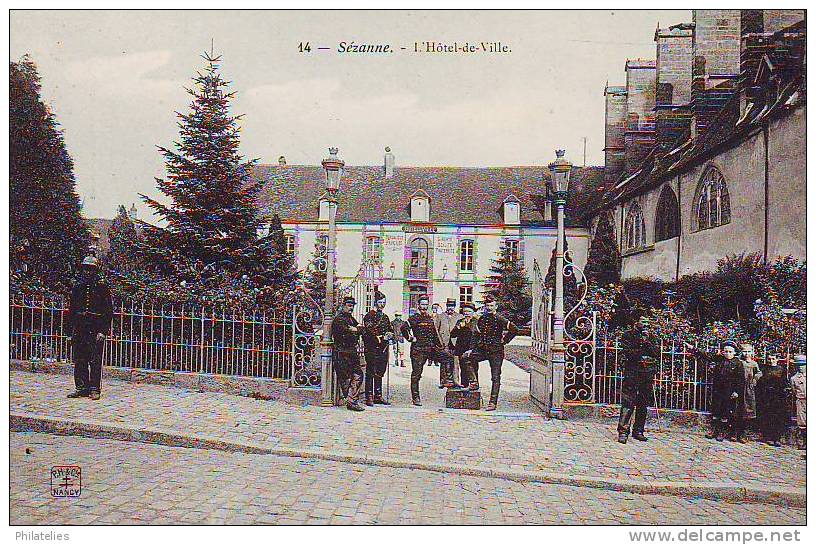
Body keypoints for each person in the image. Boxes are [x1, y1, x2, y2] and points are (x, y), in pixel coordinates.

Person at [66, 256, 113, 400]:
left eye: (91, 269)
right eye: (86, 269)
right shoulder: (77, 287)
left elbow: (108, 311)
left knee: (94, 360)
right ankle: (81, 388)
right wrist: (69, 332)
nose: (88, 272)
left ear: (96, 271)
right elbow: (71, 311)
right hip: (80, 327)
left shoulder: (102, 288)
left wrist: (103, 331)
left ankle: (94, 389)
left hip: (95, 327)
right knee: (80, 359)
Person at [403, 296, 454, 406]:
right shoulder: (414, 318)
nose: (424, 307)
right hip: (418, 350)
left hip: (431, 349)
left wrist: (440, 346)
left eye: (426, 305)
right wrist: (411, 338)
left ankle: (447, 379)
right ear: (418, 305)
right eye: (422, 304)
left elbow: (434, 334)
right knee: (416, 374)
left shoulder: (430, 318)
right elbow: (403, 328)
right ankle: (415, 397)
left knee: (448, 357)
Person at [616, 313, 659, 444]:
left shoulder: (651, 337)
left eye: (647, 322)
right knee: (628, 402)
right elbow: (629, 353)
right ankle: (623, 432)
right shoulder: (628, 335)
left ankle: (638, 431)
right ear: (636, 322)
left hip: (646, 373)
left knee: (643, 403)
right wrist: (642, 347)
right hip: (632, 372)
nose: (645, 324)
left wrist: (647, 343)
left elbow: (656, 353)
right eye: (643, 321)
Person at [473, 294, 518, 411]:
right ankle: (474, 383)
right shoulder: (482, 318)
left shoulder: (500, 318)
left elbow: (514, 329)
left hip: (496, 351)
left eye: (491, 305)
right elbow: (478, 333)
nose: (489, 308)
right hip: (483, 349)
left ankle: (492, 402)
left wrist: (505, 340)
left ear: (496, 307)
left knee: (495, 377)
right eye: (487, 305)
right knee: (467, 358)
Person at [697, 341, 746, 442]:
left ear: (734, 352)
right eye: (726, 351)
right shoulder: (719, 360)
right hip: (718, 390)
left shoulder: (738, 363)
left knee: (725, 413)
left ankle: (722, 432)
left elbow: (741, 380)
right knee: (716, 411)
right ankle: (714, 431)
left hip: (729, 392)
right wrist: (693, 349)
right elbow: (706, 355)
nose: (728, 354)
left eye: (730, 352)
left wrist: (736, 391)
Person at [331, 296, 365, 412]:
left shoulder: (351, 319)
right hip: (341, 352)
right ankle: (348, 400)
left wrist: (355, 329)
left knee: (358, 375)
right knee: (345, 378)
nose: (351, 308)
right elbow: (347, 331)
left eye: (352, 306)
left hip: (351, 351)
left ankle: (351, 401)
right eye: (349, 306)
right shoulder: (338, 319)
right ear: (343, 306)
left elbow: (361, 329)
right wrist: (354, 329)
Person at [362, 291, 394, 406]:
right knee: (371, 372)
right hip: (372, 348)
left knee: (380, 372)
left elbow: (390, 329)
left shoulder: (385, 317)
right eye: (380, 302)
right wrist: (380, 337)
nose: (382, 304)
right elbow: (369, 331)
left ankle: (378, 395)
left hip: (383, 349)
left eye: (384, 302)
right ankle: (369, 396)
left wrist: (390, 334)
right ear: (375, 302)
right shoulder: (369, 316)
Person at [755, 355, 790, 447]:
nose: (771, 361)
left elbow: (784, 383)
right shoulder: (764, 369)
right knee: (767, 416)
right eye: (769, 359)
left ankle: (777, 438)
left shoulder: (781, 369)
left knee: (778, 417)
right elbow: (760, 382)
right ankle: (768, 437)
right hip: (766, 396)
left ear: (777, 359)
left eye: (773, 359)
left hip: (778, 396)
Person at [450, 302, 481, 390]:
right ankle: (464, 387)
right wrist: (457, 328)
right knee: (463, 369)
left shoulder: (477, 322)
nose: (467, 313)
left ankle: (474, 388)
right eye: (465, 312)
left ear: (473, 312)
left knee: (473, 368)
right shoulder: (460, 322)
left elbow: (479, 337)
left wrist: (474, 348)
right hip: (461, 349)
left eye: (469, 311)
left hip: (472, 349)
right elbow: (452, 335)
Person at [434, 298, 463, 388]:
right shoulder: (440, 316)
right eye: (449, 306)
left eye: (452, 306)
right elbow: (436, 330)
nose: (450, 308)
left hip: (455, 342)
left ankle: (455, 381)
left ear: (455, 307)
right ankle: (444, 381)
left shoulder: (459, 316)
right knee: (444, 362)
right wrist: (439, 342)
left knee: (455, 362)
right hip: (443, 342)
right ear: (446, 306)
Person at [740, 343, 762, 426]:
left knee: (749, 405)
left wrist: (755, 379)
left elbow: (759, 372)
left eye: (749, 351)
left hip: (749, 387)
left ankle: (746, 428)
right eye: (744, 351)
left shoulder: (754, 363)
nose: (747, 354)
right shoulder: (740, 362)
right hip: (740, 386)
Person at [790, 354, 806, 450]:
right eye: (798, 365)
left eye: (803, 365)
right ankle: (804, 442)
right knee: (802, 422)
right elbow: (794, 390)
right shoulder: (794, 379)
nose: (801, 367)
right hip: (801, 400)